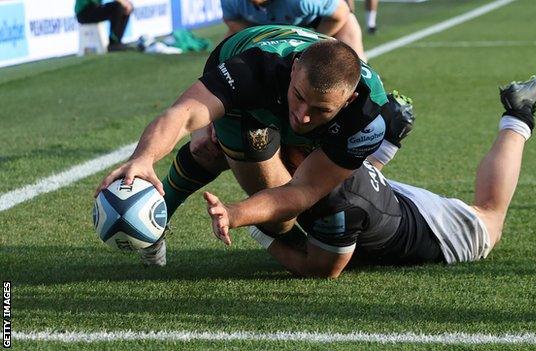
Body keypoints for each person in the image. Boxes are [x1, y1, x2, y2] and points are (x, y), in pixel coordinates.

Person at [95, 25, 413, 266]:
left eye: (320, 109)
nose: (302, 116)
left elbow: (302, 191)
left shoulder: (368, 116)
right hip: (240, 65)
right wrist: (142, 158)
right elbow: (183, 114)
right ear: (295, 68)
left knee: (293, 188)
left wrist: (237, 213)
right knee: (213, 152)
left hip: (306, 102)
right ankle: (157, 224)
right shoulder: (254, 70)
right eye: (300, 97)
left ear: (350, 100)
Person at [205, 76, 536, 278]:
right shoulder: (328, 153)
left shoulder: (338, 207)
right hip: (382, 200)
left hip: (441, 231)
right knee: (350, 190)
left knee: (490, 216)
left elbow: (322, 269)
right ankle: (386, 142)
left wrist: (261, 230)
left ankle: (518, 116)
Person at [220, 0, 366, 60]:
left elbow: (341, 13)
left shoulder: (303, 1)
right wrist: (260, 39)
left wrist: (311, 42)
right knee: (221, 58)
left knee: (355, 64)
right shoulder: (231, 1)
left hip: (321, 22)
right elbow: (231, 20)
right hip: (265, 27)